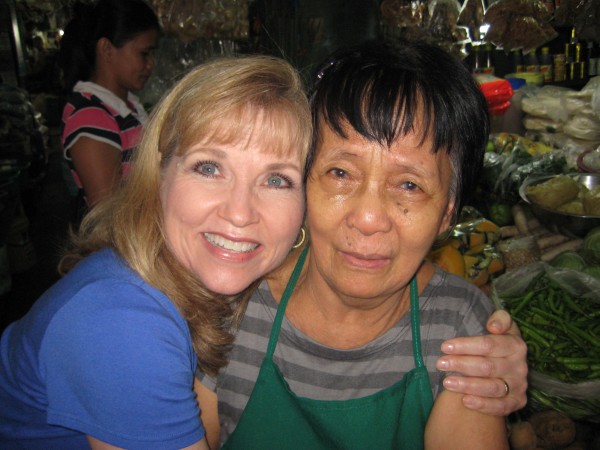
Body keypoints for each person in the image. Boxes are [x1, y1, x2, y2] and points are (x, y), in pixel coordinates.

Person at [195, 39, 526, 449]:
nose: (368, 218)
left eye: (409, 184)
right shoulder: (233, 308)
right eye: (340, 173)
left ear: (447, 213)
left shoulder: (458, 326)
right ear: (302, 180)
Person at [0, 55, 312, 449]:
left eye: (276, 179)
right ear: (160, 172)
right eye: (209, 168)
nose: (239, 212)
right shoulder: (121, 322)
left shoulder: (181, 277)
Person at [59, 0, 159, 208]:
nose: (151, 64)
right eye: (144, 53)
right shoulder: (91, 116)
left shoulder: (125, 106)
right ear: (106, 50)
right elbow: (107, 214)